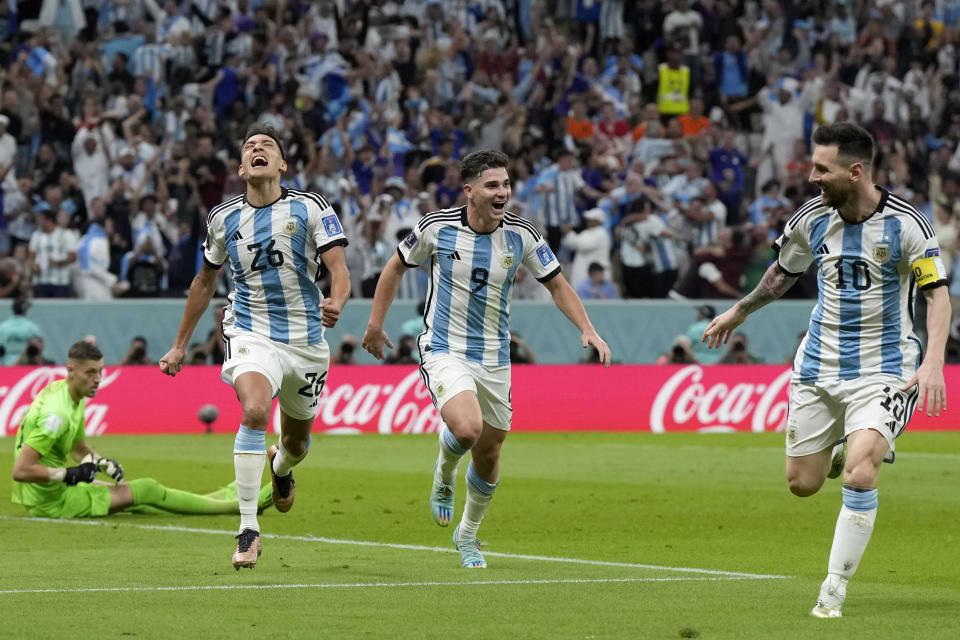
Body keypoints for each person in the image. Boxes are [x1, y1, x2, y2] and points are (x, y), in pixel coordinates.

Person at [702, 122, 950, 618]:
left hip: (885, 367)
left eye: (822, 169)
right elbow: (782, 274)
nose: (812, 177)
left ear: (855, 171)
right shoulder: (811, 219)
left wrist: (933, 362)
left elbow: (937, 295)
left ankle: (833, 589)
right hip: (818, 364)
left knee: (861, 473)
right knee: (803, 484)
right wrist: (739, 310)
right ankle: (841, 444)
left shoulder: (907, 225)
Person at [361, 149, 611, 569]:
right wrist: (374, 325)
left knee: (490, 453)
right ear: (470, 191)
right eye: (493, 185)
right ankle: (443, 475)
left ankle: (468, 536)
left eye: (507, 185)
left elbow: (558, 285)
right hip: (444, 347)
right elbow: (394, 268)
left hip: (495, 357)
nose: (503, 193)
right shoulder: (435, 228)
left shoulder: (522, 235)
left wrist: (586, 327)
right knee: (467, 428)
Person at [159, 124, 351, 570]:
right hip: (249, 330)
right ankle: (248, 529)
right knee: (255, 411)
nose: (257, 150)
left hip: (305, 340)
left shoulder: (310, 208)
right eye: (249, 147)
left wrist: (336, 300)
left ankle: (280, 468)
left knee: (297, 444)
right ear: (242, 167)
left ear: (282, 164)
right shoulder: (223, 218)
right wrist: (179, 345)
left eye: (267, 146)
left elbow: (338, 267)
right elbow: (204, 282)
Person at [12, 341, 272, 519]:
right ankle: (240, 506)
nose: (98, 379)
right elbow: (21, 471)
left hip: (56, 491)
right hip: (50, 502)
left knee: (138, 498)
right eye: (90, 373)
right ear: (70, 370)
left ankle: (225, 495)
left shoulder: (67, 394)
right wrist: (70, 473)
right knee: (145, 489)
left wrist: (99, 462)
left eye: (100, 371)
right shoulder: (56, 414)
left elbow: (78, 448)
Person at [0, 298, 43, 365]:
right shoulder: (32, 327)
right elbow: (39, 349)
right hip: (25, 365)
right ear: (25, 310)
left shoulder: (2, 327)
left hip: (5, 364)